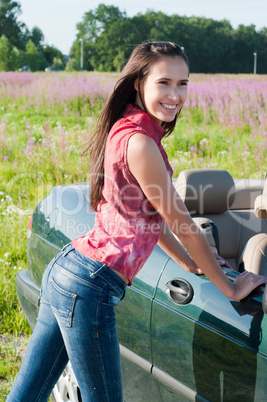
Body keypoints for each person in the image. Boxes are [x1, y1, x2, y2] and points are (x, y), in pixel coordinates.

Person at [7, 41, 267, 402]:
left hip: (69, 271)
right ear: (138, 83)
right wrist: (230, 288)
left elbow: (149, 219)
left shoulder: (128, 128)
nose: (175, 95)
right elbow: (181, 224)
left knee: (27, 395)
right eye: (164, 82)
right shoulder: (141, 143)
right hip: (90, 286)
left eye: (183, 84)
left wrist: (188, 262)